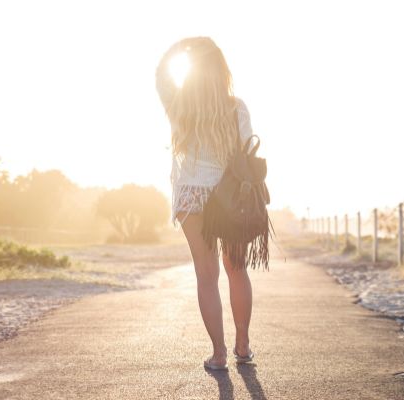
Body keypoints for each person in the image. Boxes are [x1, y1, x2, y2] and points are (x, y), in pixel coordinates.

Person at [155, 37, 255, 371]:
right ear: (222, 70)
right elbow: (245, 154)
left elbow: (160, 75)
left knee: (206, 275)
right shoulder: (236, 107)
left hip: (191, 197)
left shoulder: (179, 104)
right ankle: (243, 344)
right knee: (237, 271)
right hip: (229, 196)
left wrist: (178, 48)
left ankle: (219, 353)